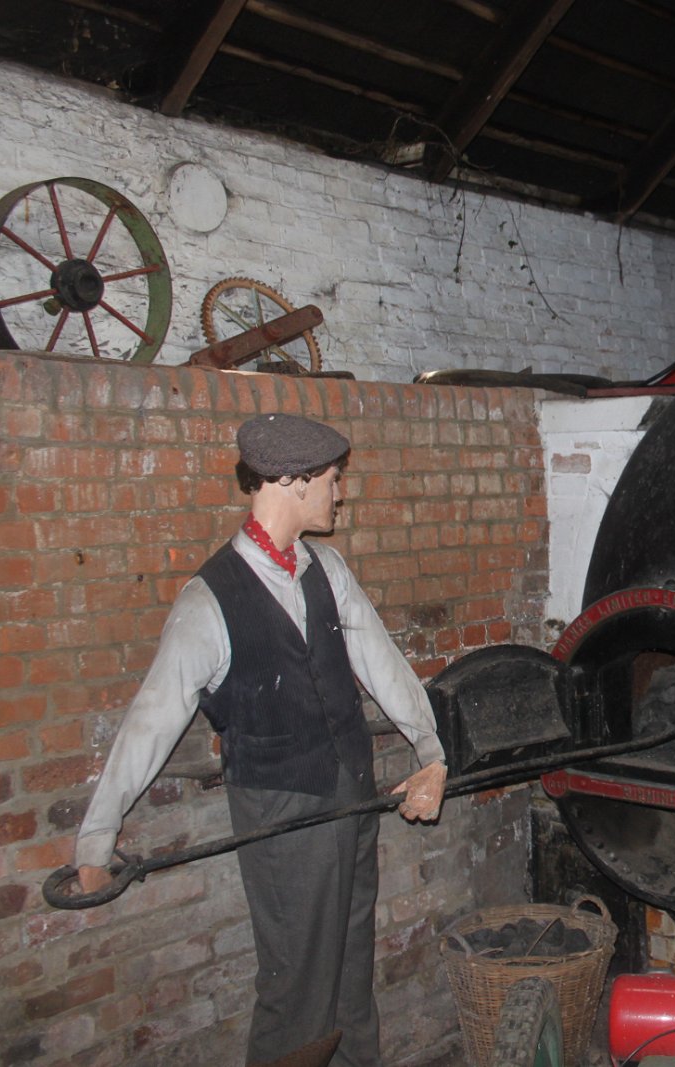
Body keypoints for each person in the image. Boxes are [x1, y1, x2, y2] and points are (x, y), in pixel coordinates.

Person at [72, 412, 448, 1067]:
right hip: (282, 818)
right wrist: (96, 840)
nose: (340, 493)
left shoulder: (326, 570)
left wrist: (432, 753)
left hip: (353, 799)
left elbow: (385, 666)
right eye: (333, 480)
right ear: (295, 481)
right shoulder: (209, 600)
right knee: (296, 996)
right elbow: (150, 721)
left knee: (351, 985)